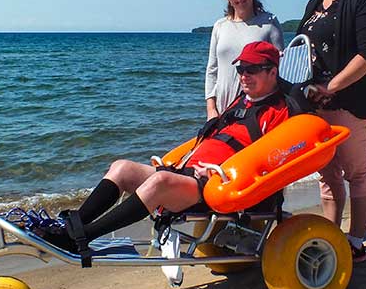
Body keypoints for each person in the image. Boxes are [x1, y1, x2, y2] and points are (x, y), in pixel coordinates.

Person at [38, 41, 290, 255]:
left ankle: (81, 239)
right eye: (241, 68)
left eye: (253, 69)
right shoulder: (240, 103)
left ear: (272, 71)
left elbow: (270, 160)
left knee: (158, 184)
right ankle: (72, 225)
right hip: (186, 172)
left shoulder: (280, 113)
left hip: (214, 185)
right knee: (122, 168)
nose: (244, 75)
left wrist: (220, 172)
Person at [297, 0, 366, 262]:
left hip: (349, 101)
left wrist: (331, 87)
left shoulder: (363, 1)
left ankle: (356, 240)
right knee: (327, 173)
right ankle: (332, 235)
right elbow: (301, 51)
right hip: (315, 105)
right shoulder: (314, 4)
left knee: (357, 173)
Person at [205, 0, 284, 119]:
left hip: (258, 110)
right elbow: (212, 71)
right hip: (222, 108)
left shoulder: (269, 23)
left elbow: (280, 69)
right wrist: (211, 109)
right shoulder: (220, 26)